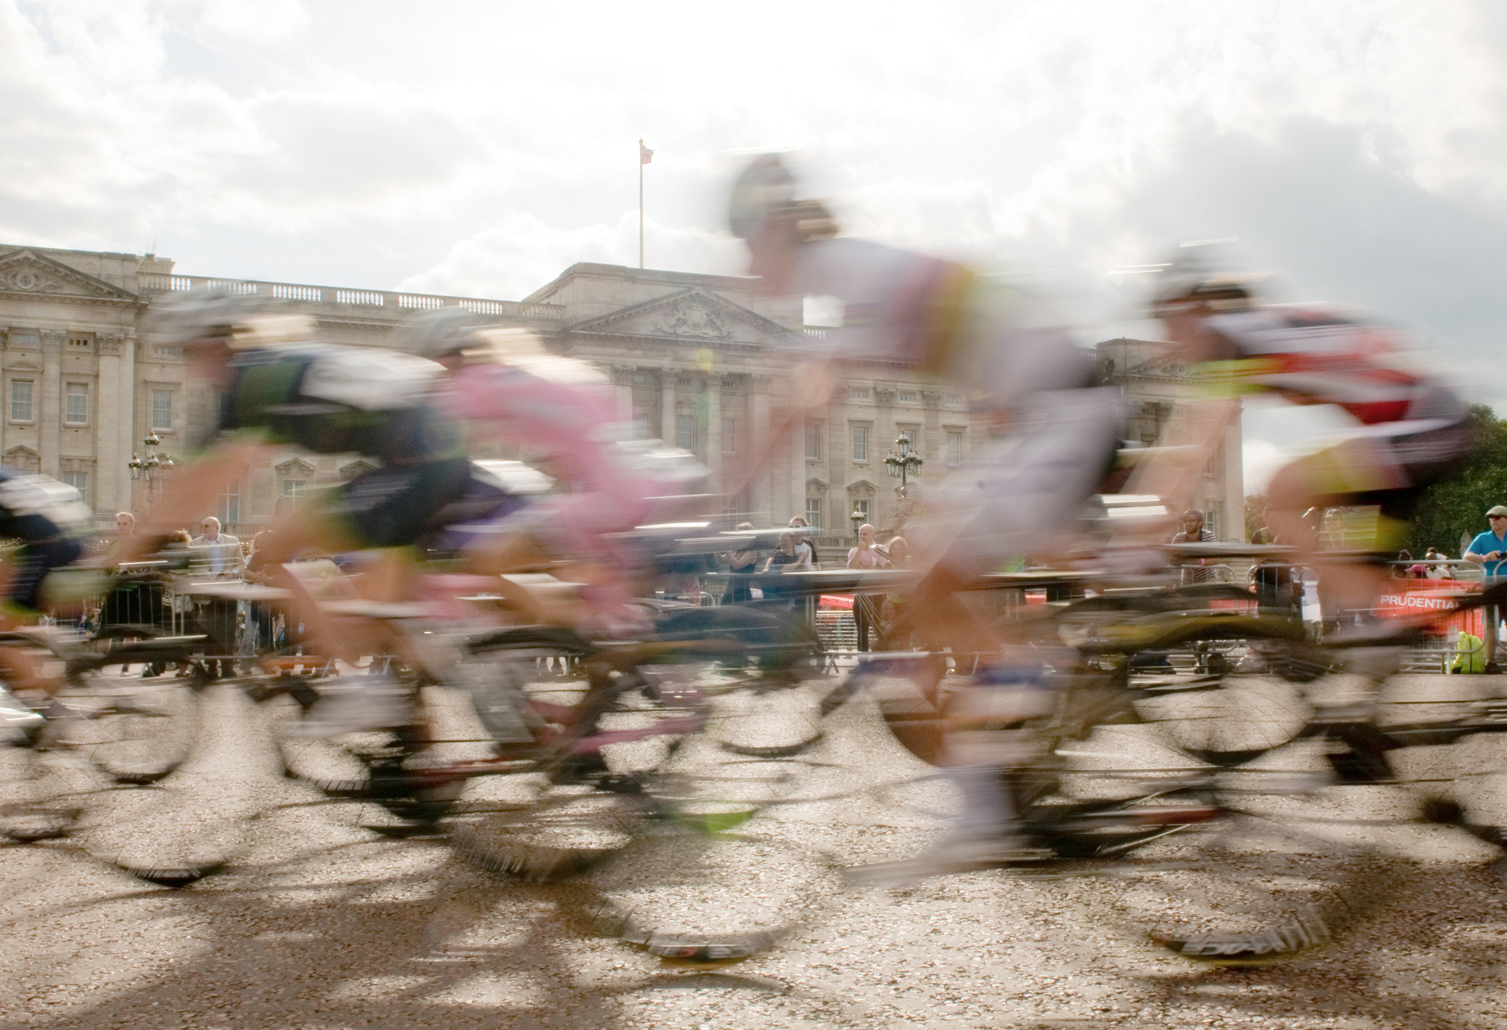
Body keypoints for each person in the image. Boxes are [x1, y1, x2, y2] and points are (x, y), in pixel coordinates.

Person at [730, 154, 1124, 869]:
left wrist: (727, 488)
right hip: (1041, 419)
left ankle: (1032, 717)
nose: (746, 264)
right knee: (932, 592)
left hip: (1063, 414)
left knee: (932, 594)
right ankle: (1027, 729)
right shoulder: (853, 276)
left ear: (779, 235)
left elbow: (800, 402)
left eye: (749, 244)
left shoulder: (850, 274)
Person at [1153, 247, 1473, 630]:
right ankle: (1375, 635)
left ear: (1194, 314)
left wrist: (1149, 513)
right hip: (1428, 422)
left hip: (1422, 424)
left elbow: (1196, 443)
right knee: (1357, 555)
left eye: (1167, 321)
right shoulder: (1259, 326)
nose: (1167, 337)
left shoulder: (1232, 338)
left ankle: (1362, 614)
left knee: (1282, 490)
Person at [0, 470, 93, 731]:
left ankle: (54, 710)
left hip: (50, 544)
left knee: (5, 634)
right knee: (10, 626)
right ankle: (56, 648)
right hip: (59, 537)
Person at [1463, 505, 1507, 673]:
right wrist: (1484, 557)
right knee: (1490, 625)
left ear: (1506, 519)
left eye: (1497, 517)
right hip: (1491, 587)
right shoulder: (1483, 538)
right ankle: (1490, 662)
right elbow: (1467, 556)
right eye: (1490, 518)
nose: (1493, 520)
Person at [847, 523, 888, 651]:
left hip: (878, 595)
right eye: (860, 534)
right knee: (861, 630)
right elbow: (852, 567)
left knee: (880, 628)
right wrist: (860, 550)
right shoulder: (854, 551)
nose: (862, 536)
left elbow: (881, 568)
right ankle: (862, 662)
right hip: (861, 595)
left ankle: (883, 659)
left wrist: (863, 567)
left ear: (873, 535)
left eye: (865, 534)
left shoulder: (881, 549)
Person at [717, 522, 761, 604]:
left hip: (742, 591)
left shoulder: (751, 552)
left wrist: (726, 550)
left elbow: (737, 565)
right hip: (730, 588)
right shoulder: (736, 551)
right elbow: (721, 560)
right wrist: (715, 549)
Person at [1169, 509, 1215, 584]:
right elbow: (1172, 559)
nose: (1188, 523)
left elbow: (1217, 559)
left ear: (1200, 523)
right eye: (1185, 521)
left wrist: (1200, 561)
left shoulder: (1208, 536)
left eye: (1191, 521)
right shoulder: (1178, 538)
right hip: (1187, 580)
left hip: (1207, 579)